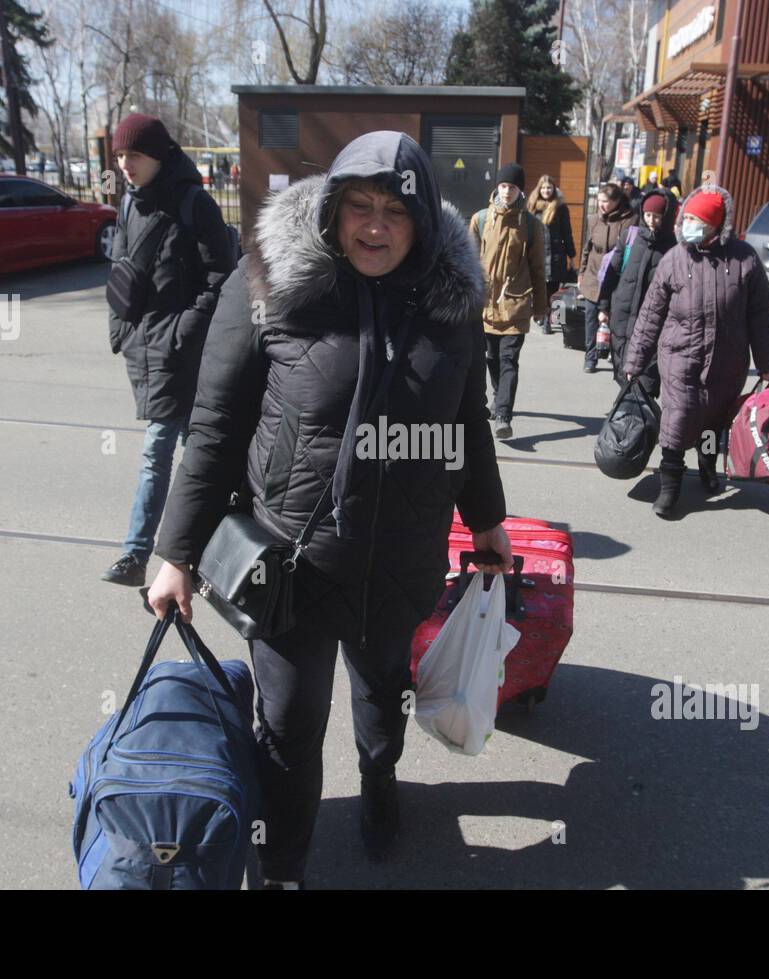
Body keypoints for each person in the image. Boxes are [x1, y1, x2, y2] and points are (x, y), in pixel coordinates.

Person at [145, 130, 514, 888]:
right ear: (333, 210)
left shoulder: (450, 308)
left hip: (400, 560)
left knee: (383, 706)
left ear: (421, 222)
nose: (374, 226)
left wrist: (486, 519)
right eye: (359, 206)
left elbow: (468, 422)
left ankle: (381, 790)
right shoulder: (267, 287)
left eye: (394, 212)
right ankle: (283, 866)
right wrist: (174, 551)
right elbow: (213, 427)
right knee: (286, 729)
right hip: (291, 565)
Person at [101, 113, 235, 586]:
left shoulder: (194, 204)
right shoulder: (128, 204)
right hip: (146, 349)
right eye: (119, 156)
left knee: (166, 450)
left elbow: (223, 277)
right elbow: (119, 271)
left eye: (133, 155)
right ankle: (201, 552)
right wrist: (119, 329)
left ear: (157, 155)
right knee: (195, 453)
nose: (124, 165)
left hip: (184, 352)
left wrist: (184, 332)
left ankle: (138, 554)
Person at [622, 184, 769, 518]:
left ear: (716, 225)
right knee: (678, 418)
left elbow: (761, 315)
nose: (689, 226)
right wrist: (635, 361)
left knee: (713, 423)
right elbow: (651, 314)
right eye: (687, 219)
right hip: (681, 355)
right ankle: (670, 488)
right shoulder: (675, 260)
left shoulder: (744, 259)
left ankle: (707, 466)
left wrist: (767, 361)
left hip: (728, 360)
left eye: (698, 221)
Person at [470, 163, 548, 439]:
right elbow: (467, 263)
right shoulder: (480, 219)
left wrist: (541, 306)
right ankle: (498, 396)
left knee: (508, 360)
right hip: (486, 304)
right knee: (490, 357)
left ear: (520, 191)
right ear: (497, 187)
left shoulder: (530, 225)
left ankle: (503, 414)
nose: (506, 191)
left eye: (512, 187)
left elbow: (538, 268)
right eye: (503, 186)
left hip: (516, 302)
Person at [597, 187, 677, 387]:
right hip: (621, 318)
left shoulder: (674, 248)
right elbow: (611, 273)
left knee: (645, 381)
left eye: (657, 216)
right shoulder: (630, 238)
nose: (651, 220)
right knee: (622, 376)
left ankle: (636, 414)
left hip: (651, 324)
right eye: (648, 215)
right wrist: (604, 306)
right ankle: (629, 413)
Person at [577, 182, 635, 373]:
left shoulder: (630, 220)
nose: (602, 205)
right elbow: (587, 248)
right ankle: (590, 357)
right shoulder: (594, 219)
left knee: (614, 319)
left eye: (606, 201)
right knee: (591, 318)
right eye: (600, 201)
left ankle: (614, 354)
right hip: (593, 276)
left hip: (616, 278)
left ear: (617, 201)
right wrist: (581, 272)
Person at [526, 174, 576, 335]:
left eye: (549, 187)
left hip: (555, 256)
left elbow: (567, 233)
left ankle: (548, 320)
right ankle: (541, 314)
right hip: (537, 254)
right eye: (544, 187)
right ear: (539, 189)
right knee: (539, 288)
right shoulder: (533, 207)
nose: (546, 190)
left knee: (552, 290)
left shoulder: (560, 207)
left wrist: (572, 256)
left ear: (554, 189)